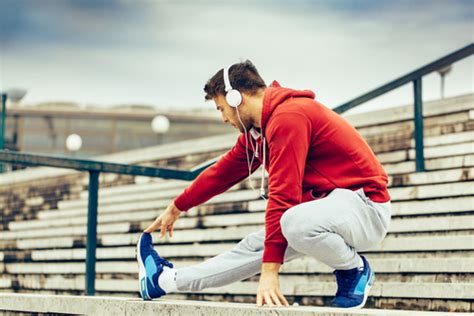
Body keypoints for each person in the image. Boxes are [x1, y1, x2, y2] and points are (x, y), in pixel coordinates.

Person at [136, 60, 391, 309]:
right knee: (253, 246)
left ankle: (355, 269)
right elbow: (221, 173)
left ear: (237, 98)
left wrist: (270, 272)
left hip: (365, 207)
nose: (223, 118)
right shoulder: (258, 133)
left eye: (221, 108)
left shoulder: (289, 117)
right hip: (324, 212)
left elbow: (283, 196)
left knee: (291, 222)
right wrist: (177, 207)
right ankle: (163, 281)